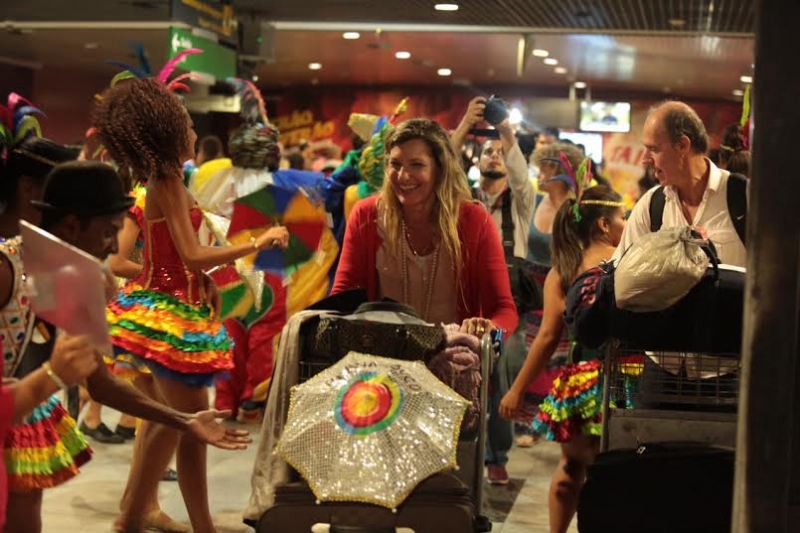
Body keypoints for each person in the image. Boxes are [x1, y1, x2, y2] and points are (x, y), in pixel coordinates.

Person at [1, 160, 253, 533]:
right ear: (71, 225)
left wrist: (184, 421)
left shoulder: (80, 280)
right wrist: (52, 375)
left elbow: (100, 384)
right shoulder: (6, 268)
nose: (111, 249)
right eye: (107, 232)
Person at [93, 76, 289, 533]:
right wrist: (254, 244)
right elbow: (192, 253)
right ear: (166, 131)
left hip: (169, 308)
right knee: (187, 424)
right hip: (170, 316)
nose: (192, 130)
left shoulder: (164, 180)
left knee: (168, 424)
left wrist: (206, 282)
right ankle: (177, 523)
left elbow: (183, 256)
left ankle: (136, 514)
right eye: (184, 121)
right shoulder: (166, 181)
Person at [499, 185, 627, 533]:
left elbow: (547, 337)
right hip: (626, 380)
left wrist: (517, 389)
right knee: (614, 472)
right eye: (622, 217)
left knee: (571, 468)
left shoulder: (563, 270)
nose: (627, 223)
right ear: (603, 224)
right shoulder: (628, 261)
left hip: (579, 382)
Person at [332, 117, 517, 337]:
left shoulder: (475, 220)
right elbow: (342, 298)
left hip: (452, 359)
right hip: (380, 362)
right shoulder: (366, 215)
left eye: (416, 165)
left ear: (440, 169)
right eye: (395, 164)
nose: (402, 176)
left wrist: (491, 330)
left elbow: (504, 310)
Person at [612, 100, 746, 400]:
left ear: (682, 145)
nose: (646, 159)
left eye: (654, 149)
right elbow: (619, 272)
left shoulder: (743, 199)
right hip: (661, 369)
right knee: (646, 446)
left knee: (726, 449)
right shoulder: (652, 204)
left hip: (728, 374)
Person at [451, 97, 535, 484]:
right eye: (488, 151)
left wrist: (504, 131)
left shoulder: (520, 203)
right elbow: (443, 164)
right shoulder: (462, 199)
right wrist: (467, 121)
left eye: (502, 153)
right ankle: (459, 449)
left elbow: (520, 176)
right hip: (465, 292)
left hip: (508, 296)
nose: (496, 157)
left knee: (500, 372)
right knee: (458, 366)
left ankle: (495, 454)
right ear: (476, 158)